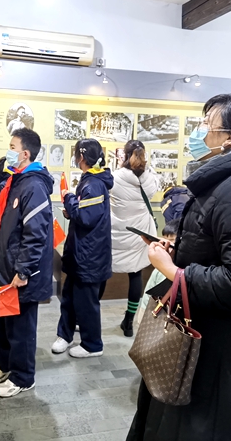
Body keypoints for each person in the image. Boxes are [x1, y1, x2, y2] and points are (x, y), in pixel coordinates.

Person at [128, 94, 231, 441]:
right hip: (199, 334)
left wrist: (173, 271)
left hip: (218, 349)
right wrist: (179, 252)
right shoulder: (223, 182)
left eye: (207, 124)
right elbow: (216, 248)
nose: (198, 131)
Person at [0, 128, 54, 397]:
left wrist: (23, 270)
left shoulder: (34, 186)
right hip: (4, 268)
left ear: (25, 154)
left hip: (21, 273)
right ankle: (7, 365)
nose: (8, 151)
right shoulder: (16, 180)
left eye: (12, 147)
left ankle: (23, 377)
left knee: (20, 329)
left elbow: (36, 233)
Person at [52, 139, 114, 358]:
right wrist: (72, 208)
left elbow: (87, 217)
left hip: (90, 256)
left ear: (81, 156)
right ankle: (65, 335)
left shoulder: (94, 184)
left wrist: (68, 198)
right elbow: (85, 213)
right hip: (81, 253)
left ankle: (92, 345)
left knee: (86, 302)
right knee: (69, 297)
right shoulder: (90, 181)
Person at [110, 139, 158, 337]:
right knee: (135, 274)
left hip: (116, 232)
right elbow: (154, 189)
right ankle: (129, 322)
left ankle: (90, 319)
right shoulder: (150, 177)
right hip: (139, 233)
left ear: (124, 154)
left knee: (104, 274)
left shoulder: (115, 177)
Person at [135, 219, 179, 324]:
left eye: (172, 241)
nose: (166, 246)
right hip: (154, 317)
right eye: (164, 241)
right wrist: (143, 315)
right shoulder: (158, 270)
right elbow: (148, 296)